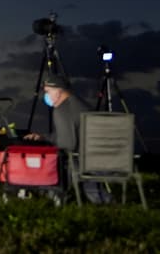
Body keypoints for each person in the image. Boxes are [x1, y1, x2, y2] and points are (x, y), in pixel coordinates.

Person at [25, 73, 111, 203]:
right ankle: (105, 202)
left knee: (56, 161)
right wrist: (43, 137)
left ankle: (54, 198)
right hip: (112, 162)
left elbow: (67, 145)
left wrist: (45, 147)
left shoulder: (62, 110)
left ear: (58, 91)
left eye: (48, 91)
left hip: (89, 165)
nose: (46, 96)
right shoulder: (79, 104)